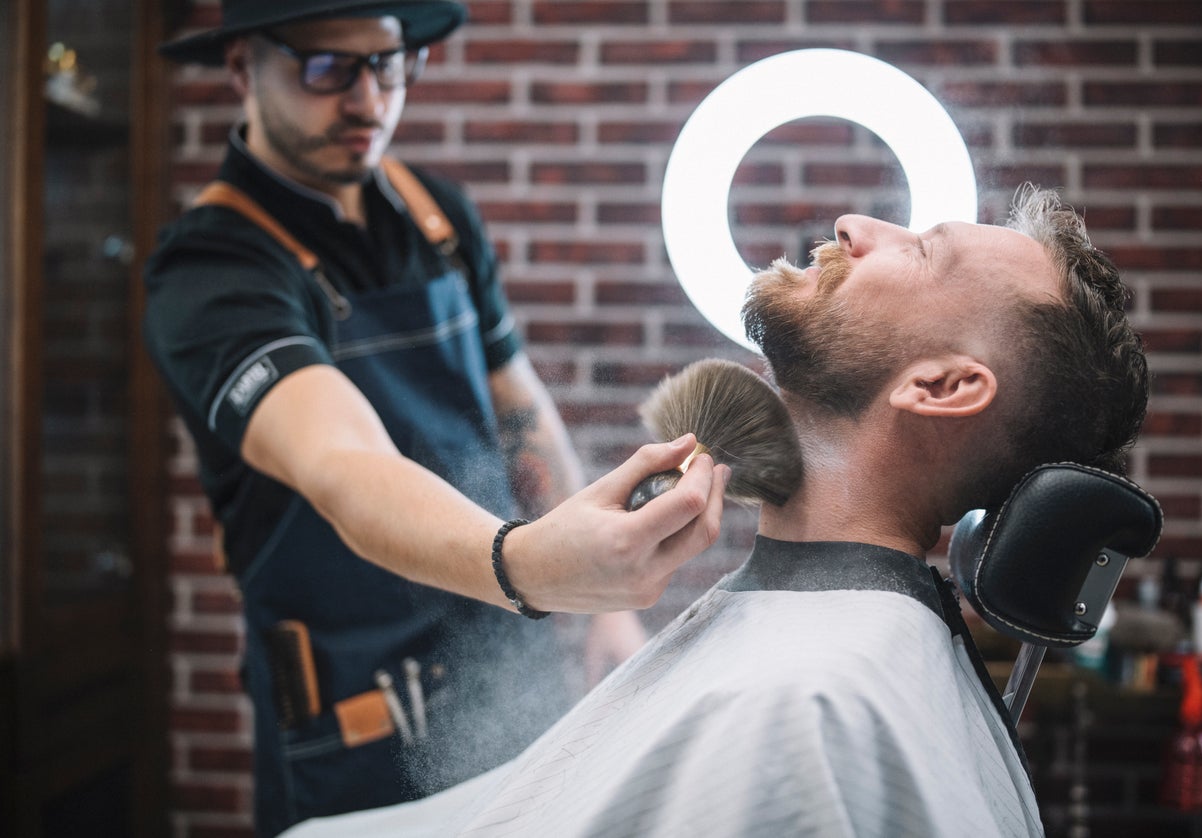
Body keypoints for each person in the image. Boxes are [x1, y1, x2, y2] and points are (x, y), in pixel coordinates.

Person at [280, 185, 1149, 837]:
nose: (853, 226)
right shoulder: (828, 662)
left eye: (920, 251)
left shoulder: (813, 704)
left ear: (943, 387)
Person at [144, 1, 728, 834]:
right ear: (242, 66)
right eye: (326, 68)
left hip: (508, 670)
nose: (369, 100)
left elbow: (519, 410)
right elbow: (344, 463)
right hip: (355, 716)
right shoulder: (211, 269)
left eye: (388, 63)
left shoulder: (440, 218)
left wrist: (607, 611)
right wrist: (528, 565)